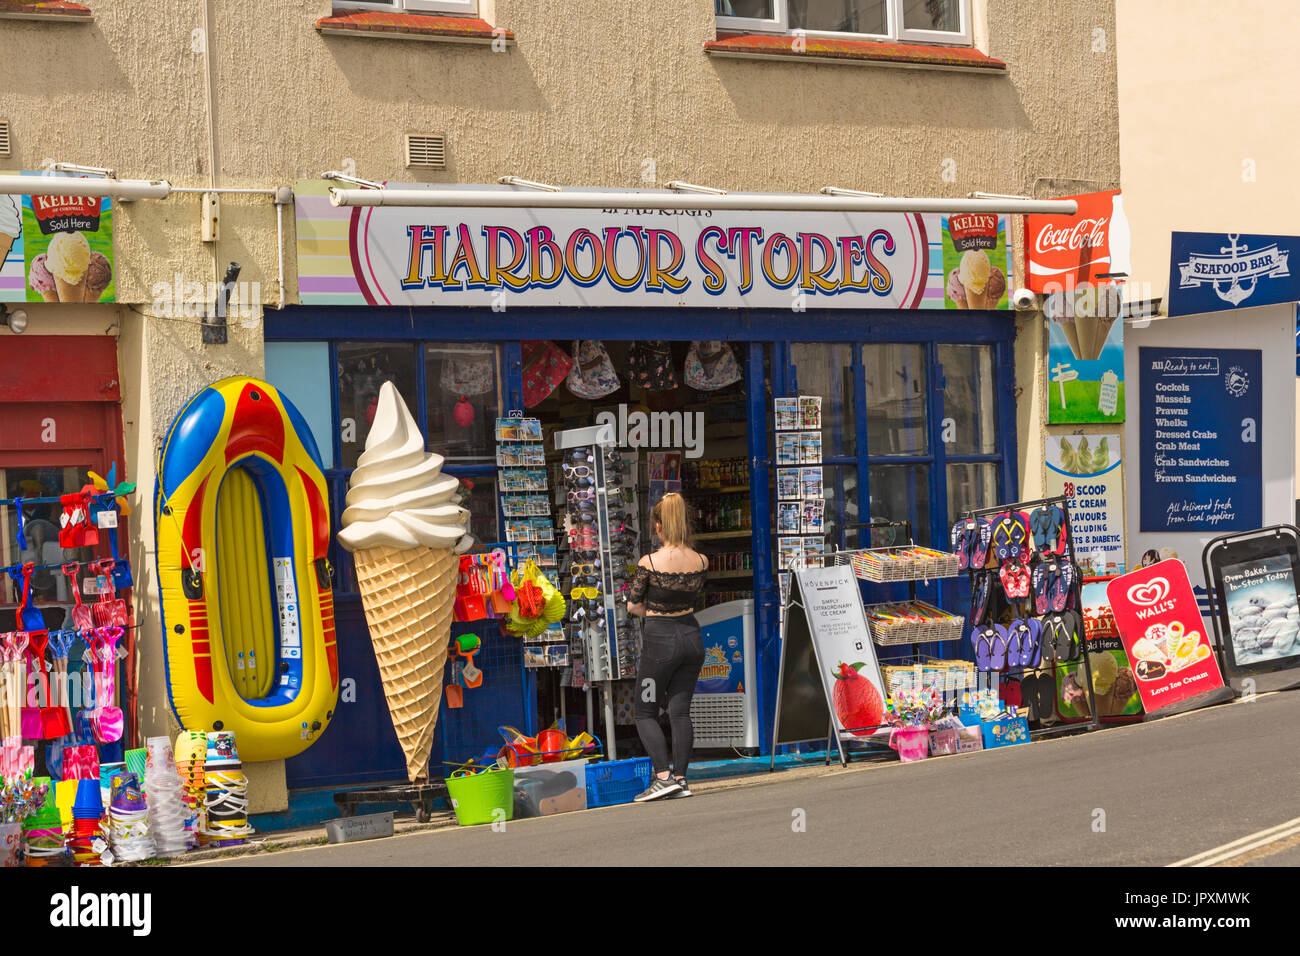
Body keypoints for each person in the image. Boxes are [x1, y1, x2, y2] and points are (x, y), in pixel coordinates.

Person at [625, 492, 708, 802]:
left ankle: (662, 777)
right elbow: (693, 596)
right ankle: (681, 779)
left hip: (660, 643)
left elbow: (634, 606)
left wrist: (654, 611)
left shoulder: (649, 562)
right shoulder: (701, 561)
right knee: (680, 713)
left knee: (645, 711)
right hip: (692, 638)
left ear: (658, 526)